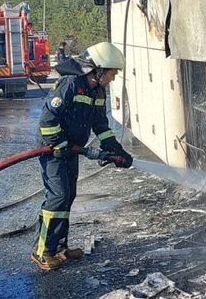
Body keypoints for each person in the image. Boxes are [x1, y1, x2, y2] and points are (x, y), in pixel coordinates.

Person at [31, 41, 133, 271]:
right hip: (52, 147)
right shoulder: (70, 84)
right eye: (112, 72)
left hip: (71, 148)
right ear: (98, 69)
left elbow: (100, 123)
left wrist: (115, 149)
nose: (114, 78)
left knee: (69, 195)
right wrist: (59, 143)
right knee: (58, 196)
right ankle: (42, 252)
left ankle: (59, 248)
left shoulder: (97, 90)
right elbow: (47, 121)